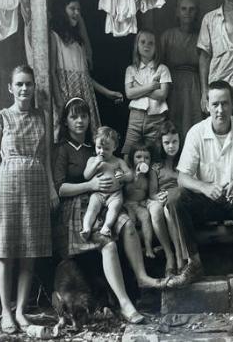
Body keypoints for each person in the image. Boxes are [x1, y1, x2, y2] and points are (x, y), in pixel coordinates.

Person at [52, 97, 168, 325]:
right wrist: (91, 186)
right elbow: (60, 189)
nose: (80, 121)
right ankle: (125, 303)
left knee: (126, 224)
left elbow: (121, 172)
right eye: (74, 117)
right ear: (66, 121)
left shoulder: (98, 145)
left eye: (84, 116)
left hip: (106, 201)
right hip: (78, 205)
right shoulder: (62, 150)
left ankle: (142, 276)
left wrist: (122, 178)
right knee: (108, 242)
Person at [168, 80, 233, 297]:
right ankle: (193, 264)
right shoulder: (196, 132)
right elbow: (182, 178)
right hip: (206, 203)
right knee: (175, 197)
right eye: (215, 104)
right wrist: (204, 187)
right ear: (207, 105)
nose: (220, 110)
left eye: (225, 103)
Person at [0, 65, 59, 334]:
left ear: (33, 87)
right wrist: (0, 184)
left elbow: (48, 158)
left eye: (28, 84)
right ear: (10, 88)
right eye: (19, 84)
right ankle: (6, 311)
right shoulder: (1, 117)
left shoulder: (42, 115)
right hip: (7, 186)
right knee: (6, 252)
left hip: (36, 185)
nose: (24, 89)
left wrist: (51, 188)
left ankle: (20, 311)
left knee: (29, 252)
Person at [50, 0, 123, 140]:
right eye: (72, 8)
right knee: (66, 136)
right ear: (62, 10)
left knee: (88, 137)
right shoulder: (54, 37)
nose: (77, 13)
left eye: (79, 10)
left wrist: (107, 92)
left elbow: (85, 78)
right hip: (66, 94)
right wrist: (59, 102)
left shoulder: (78, 42)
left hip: (84, 94)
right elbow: (51, 72)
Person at [122, 30, 172, 157]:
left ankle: (153, 176)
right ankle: (127, 175)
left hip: (156, 117)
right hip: (136, 116)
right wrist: (150, 86)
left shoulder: (162, 69)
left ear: (156, 47)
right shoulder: (131, 69)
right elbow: (129, 94)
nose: (147, 46)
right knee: (129, 150)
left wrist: (139, 89)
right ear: (137, 45)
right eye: (143, 42)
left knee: (155, 151)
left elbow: (162, 95)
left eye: (151, 43)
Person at [160, 0, 203, 138]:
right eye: (183, 9)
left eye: (192, 9)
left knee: (193, 120)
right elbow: (159, 64)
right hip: (172, 86)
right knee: (173, 120)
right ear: (177, 12)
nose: (187, 13)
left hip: (194, 86)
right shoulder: (167, 36)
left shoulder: (201, 36)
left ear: (196, 12)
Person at [148, 121, 185, 275]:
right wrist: (159, 197)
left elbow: (188, 185)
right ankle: (169, 254)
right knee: (157, 210)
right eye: (167, 142)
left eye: (174, 141)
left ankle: (179, 255)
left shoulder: (184, 163)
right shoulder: (156, 167)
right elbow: (152, 193)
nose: (171, 146)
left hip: (177, 201)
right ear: (161, 144)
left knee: (170, 210)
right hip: (161, 200)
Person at [81, 127, 132, 239]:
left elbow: (130, 175)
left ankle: (106, 227)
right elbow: (86, 176)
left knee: (114, 208)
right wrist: (95, 164)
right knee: (92, 209)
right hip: (97, 193)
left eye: (106, 149)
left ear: (114, 147)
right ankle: (86, 228)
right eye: (99, 147)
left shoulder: (118, 161)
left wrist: (123, 176)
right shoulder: (92, 160)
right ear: (95, 144)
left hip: (115, 194)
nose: (101, 151)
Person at [123, 143, 155, 259]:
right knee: (130, 220)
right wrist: (135, 176)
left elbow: (150, 191)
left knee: (146, 217)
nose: (143, 160)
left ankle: (148, 247)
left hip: (140, 204)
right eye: (139, 157)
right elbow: (127, 191)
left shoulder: (149, 175)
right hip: (128, 204)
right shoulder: (129, 173)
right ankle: (135, 250)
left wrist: (146, 200)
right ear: (132, 158)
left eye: (147, 158)